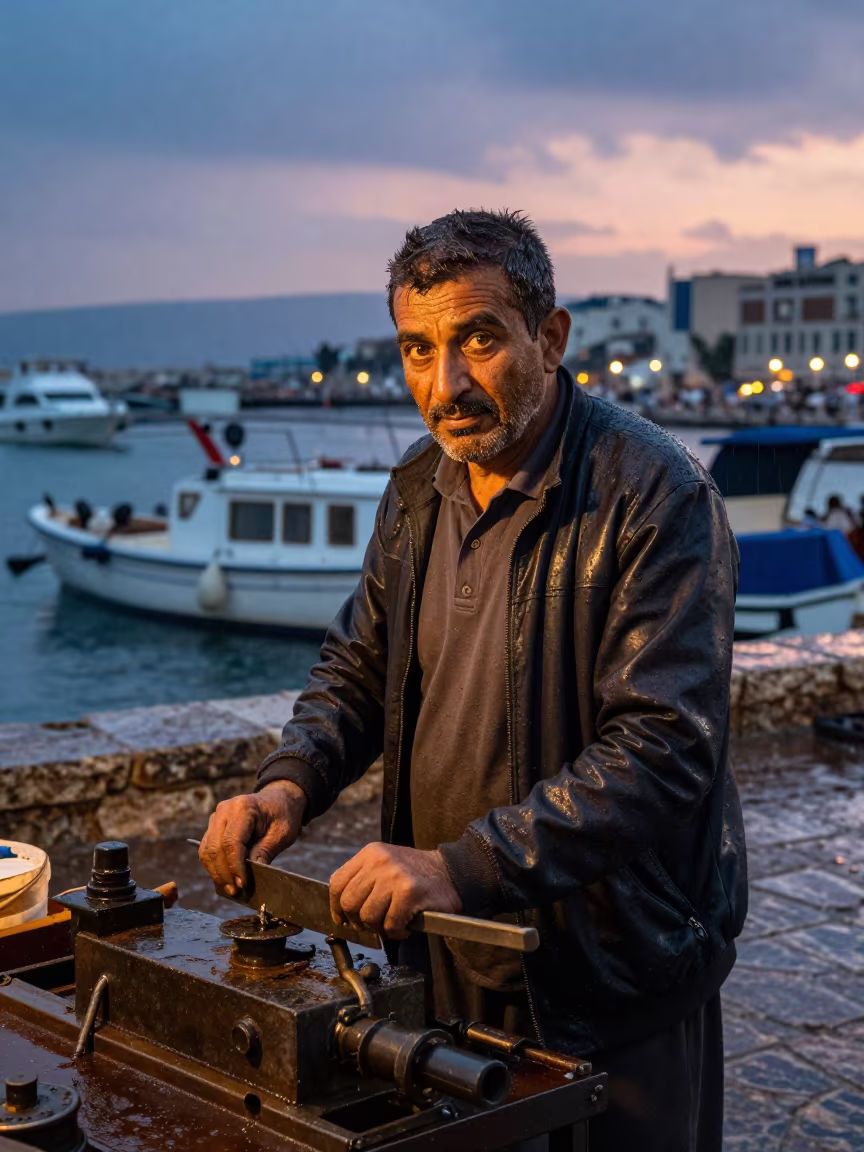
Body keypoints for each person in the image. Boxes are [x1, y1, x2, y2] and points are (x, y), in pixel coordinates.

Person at [199, 209, 746, 1151]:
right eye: (418, 349)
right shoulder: (418, 488)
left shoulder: (656, 497)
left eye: (477, 340)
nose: (443, 384)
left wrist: (461, 865)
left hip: (607, 974)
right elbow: (359, 668)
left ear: (552, 336)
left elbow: (662, 751)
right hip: (443, 956)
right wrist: (289, 782)